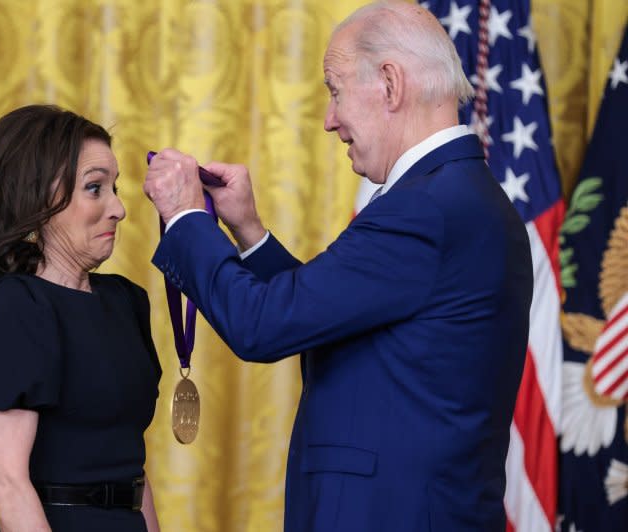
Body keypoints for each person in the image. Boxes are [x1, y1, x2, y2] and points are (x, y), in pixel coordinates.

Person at [143, 1, 532, 531]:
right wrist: (250, 233)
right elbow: (330, 316)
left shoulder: (426, 206)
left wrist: (187, 216)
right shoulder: (458, 197)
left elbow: (262, 326)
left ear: (390, 84)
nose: (330, 120)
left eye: (335, 88)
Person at [0, 104, 162, 532]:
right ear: (37, 198)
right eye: (95, 188)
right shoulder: (16, 307)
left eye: (115, 187)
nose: (119, 208)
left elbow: (132, 469)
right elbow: (4, 483)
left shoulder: (125, 301)